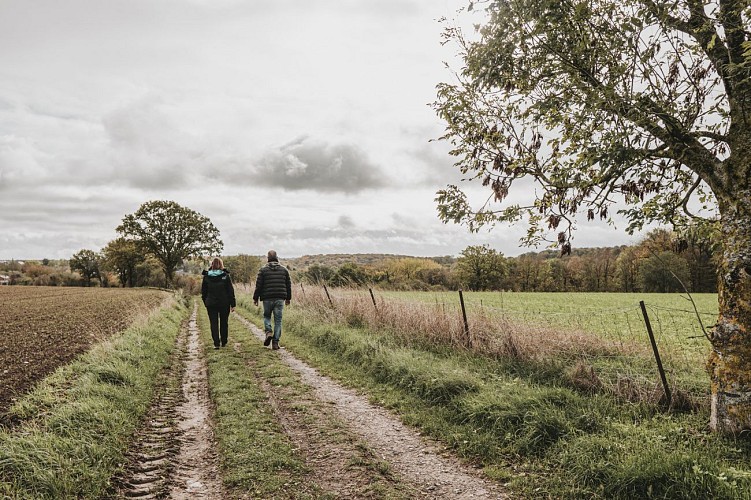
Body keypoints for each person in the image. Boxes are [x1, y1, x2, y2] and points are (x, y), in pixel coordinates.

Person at [253, 250, 291, 350]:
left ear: (268, 258)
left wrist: (255, 298)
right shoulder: (284, 270)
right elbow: (288, 285)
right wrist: (288, 298)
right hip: (280, 298)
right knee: (278, 321)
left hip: (267, 298)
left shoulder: (263, 270)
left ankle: (269, 332)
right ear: (277, 257)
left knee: (267, 316)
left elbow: (258, 286)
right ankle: (275, 343)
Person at [201, 257, 236, 349]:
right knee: (224, 322)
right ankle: (224, 341)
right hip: (224, 303)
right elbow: (230, 291)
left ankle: (216, 343)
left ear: (212, 265)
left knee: (213, 323)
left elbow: (203, 291)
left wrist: (205, 301)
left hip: (211, 303)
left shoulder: (207, 276)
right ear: (221, 265)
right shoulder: (225, 276)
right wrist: (233, 304)